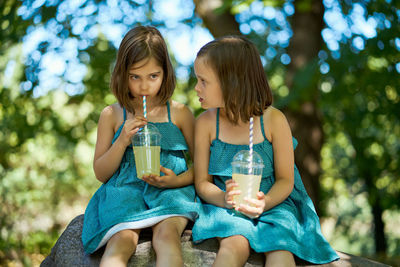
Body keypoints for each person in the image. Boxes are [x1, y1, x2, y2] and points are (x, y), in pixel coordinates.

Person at [191, 35, 339, 267]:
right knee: (233, 245)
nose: (196, 87)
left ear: (231, 82)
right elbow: (202, 182)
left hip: (274, 204)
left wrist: (265, 202)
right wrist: (223, 198)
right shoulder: (206, 123)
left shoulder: (273, 120)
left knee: (280, 248)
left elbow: (285, 180)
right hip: (227, 208)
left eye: (203, 81)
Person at [81, 26, 198, 267]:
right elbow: (101, 173)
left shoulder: (179, 114)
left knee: (166, 237)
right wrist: (123, 140)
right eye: (135, 77)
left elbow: (204, 168)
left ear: (165, 73)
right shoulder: (112, 115)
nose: (144, 86)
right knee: (121, 242)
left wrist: (175, 181)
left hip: (170, 193)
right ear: (122, 74)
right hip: (125, 193)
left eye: (153, 76)